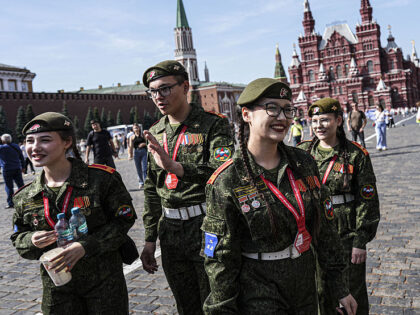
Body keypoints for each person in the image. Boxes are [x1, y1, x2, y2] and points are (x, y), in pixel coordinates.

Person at [202, 78, 357, 315]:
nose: (282, 117)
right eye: (272, 108)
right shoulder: (227, 180)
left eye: (287, 109)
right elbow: (221, 261)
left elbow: (324, 231)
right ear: (247, 115)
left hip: (304, 284)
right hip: (259, 291)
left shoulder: (303, 163)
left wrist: (339, 287)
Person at [11, 112, 136, 314]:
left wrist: (86, 246)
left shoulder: (101, 180)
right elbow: (18, 237)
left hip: (104, 282)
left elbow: (124, 221)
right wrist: (32, 239)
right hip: (57, 286)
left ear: (67, 142)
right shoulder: (25, 196)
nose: (35, 147)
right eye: (29, 141)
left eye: (45, 140)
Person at [140, 60, 235, 315]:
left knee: (214, 303)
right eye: (153, 92)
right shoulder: (156, 131)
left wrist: (177, 168)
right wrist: (150, 239)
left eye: (165, 89)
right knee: (186, 305)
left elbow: (224, 172)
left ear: (185, 87)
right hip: (171, 231)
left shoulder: (212, 124)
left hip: (206, 225)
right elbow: (152, 189)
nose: (158, 97)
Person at [298, 98, 380, 315]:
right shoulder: (302, 153)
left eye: (324, 120)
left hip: (344, 234)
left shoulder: (355, 154)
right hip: (313, 234)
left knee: (351, 291)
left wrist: (360, 240)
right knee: (320, 289)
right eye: (315, 121)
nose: (319, 126)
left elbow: (367, 200)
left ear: (338, 120)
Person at [0, 134, 25, 209]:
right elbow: (21, 157)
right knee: (21, 185)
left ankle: (11, 203)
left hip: (7, 169)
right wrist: (23, 167)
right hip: (17, 168)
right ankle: (24, 200)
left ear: (2, 140)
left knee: (9, 187)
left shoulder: (1, 148)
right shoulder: (16, 146)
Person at [128, 123, 147, 189]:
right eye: (134, 128)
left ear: (139, 128)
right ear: (133, 129)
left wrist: (144, 144)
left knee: (145, 168)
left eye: (137, 127)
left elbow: (148, 142)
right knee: (138, 168)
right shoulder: (132, 137)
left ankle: (146, 181)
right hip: (136, 152)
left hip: (144, 152)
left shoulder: (143, 135)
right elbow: (130, 146)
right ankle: (141, 182)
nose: (136, 129)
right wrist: (130, 154)